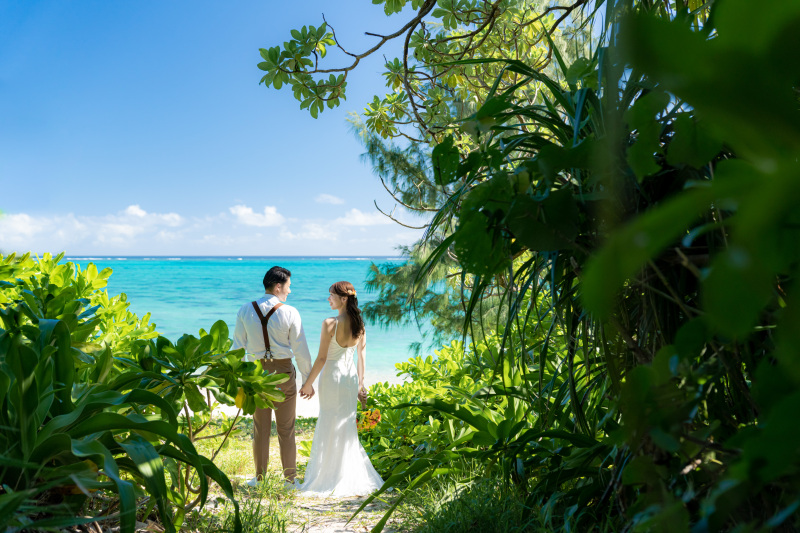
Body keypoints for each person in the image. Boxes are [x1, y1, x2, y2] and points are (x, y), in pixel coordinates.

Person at [296, 281, 384, 497]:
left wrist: (308, 383)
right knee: (346, 425)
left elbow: (322, 358)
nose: (328, 299)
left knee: (329, 420)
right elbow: (361, 358)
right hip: (350, 378)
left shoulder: (329, 323)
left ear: (344, 299)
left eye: (331, 295)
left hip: (333, 377)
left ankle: (329, 475)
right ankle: (346, 474)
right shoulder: (360, 325)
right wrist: (361, 386)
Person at [232, 266, 313, 486]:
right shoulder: (290, 312)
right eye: (288, 286)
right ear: (278, 286)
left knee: (261, 428)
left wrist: (236, 379)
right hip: (283, 372)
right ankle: (290, 480)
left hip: (257, 373)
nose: (289, 290)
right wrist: (308, 380)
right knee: (286, 428)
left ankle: (259, 479)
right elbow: (301, 350)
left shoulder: (244, 310)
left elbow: (237, 348)